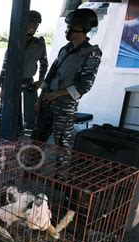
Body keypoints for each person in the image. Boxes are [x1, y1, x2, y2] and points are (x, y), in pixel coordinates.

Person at [32, 8, 102, 163]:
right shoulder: (66, 49)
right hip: (48, 102)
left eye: (69, 27)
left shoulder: (92, 53)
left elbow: (85, 86)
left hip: (65, 106)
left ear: (80, 28)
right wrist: (40, 99)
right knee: (38, 138)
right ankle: (30, 169)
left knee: (62, 144)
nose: (67, 30)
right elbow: (50, 75)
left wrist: (57, 94)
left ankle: (60, 178)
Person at [0, 10, 48, 136]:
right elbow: (5, 65)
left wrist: (41, 80)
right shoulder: (15, 40)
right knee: (9, 115)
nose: (33, 26)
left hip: (29, 83)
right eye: (30, 23)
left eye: (36, 24)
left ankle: (22, 138)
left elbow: (44, 64)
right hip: (12, 83)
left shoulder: (39, 44)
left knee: (30, 117)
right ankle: (9, 138)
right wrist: (3, 87)